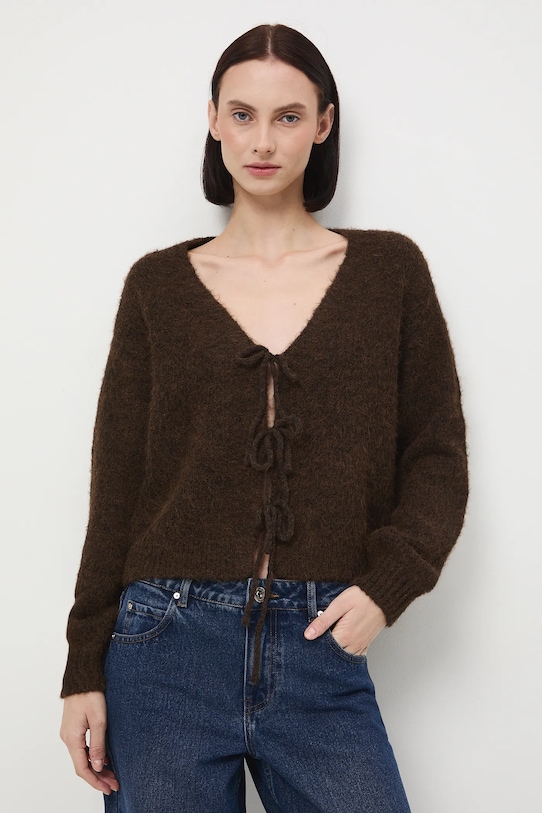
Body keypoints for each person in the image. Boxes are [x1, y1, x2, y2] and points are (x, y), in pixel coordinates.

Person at [60, 23, 468, 813]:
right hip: (163, 644)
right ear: (213, 119)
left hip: (321, 645)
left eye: (288, 116)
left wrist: (387, 585)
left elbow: (436, 455)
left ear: (324, 123)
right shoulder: (158, 287)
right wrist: (83, 666)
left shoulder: (389, 272)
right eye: (243, 114)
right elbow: (116, 487)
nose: (263, 141)